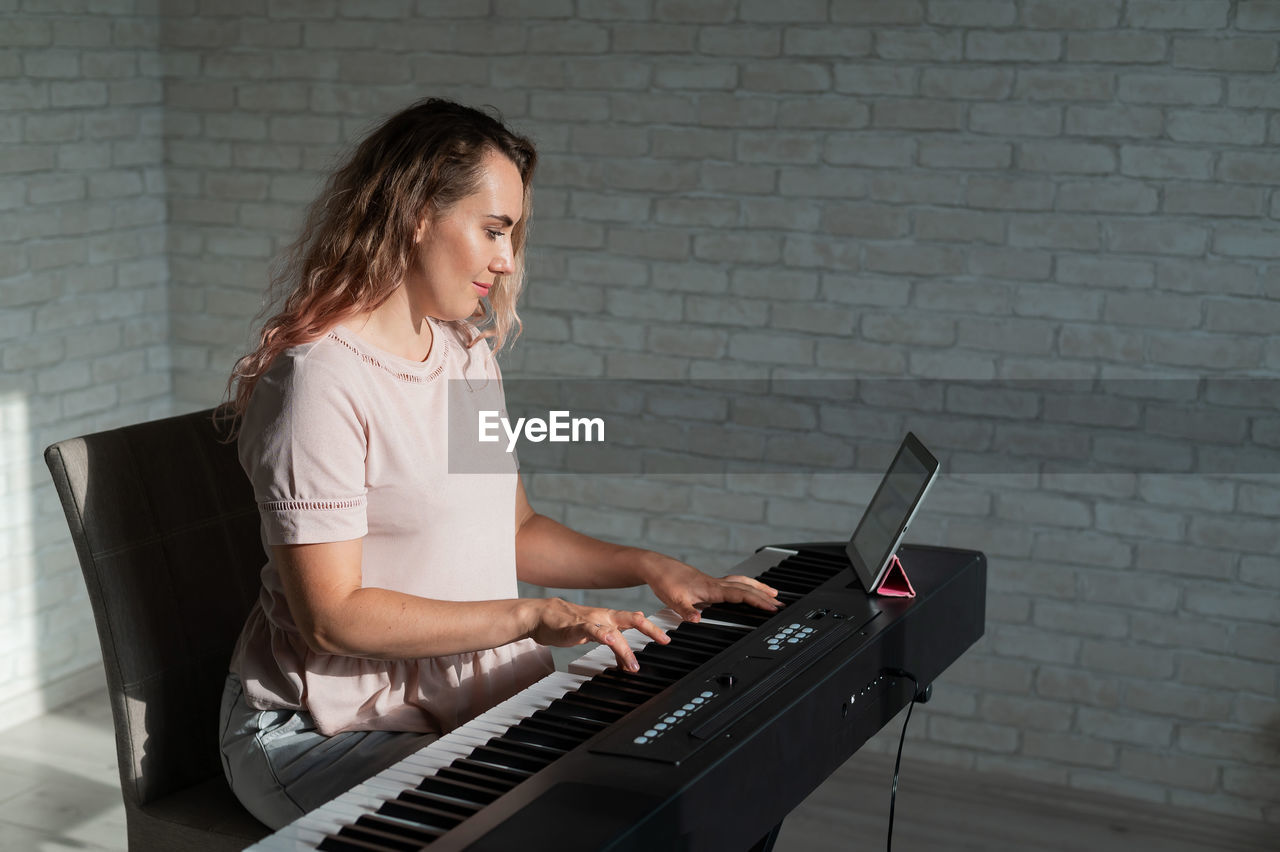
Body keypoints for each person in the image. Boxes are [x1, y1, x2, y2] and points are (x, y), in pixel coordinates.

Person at [217, 97, 780, 830]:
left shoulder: (463, 356)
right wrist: (531, 615)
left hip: (463, 707)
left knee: (704, 782)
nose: (506, 260)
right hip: (326, 730)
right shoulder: (320, 380)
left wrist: (648, 564)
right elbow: (332, 618)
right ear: (416, 212)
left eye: (510, 235)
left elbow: (513, 531)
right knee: (565, 823)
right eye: (492, 230)